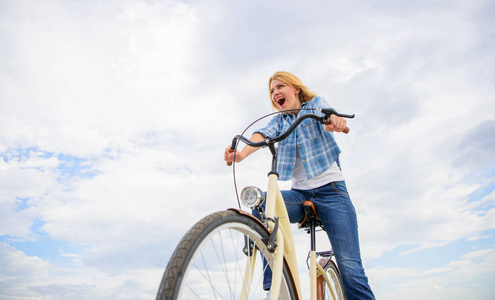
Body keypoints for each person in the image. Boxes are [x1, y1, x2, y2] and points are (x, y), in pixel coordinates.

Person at [224, 71, 375, 300]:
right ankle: (277, 285)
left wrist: (334, 121)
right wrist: (241, 154)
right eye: (272, 91)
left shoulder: (313, 105)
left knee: (351, 269)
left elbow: (325, 112)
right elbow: (262, 133)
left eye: (280, 87)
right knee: (263, 205)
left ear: (295, 88)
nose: (275, 93)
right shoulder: (280, 120)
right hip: (299, 194)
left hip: (332, 192)